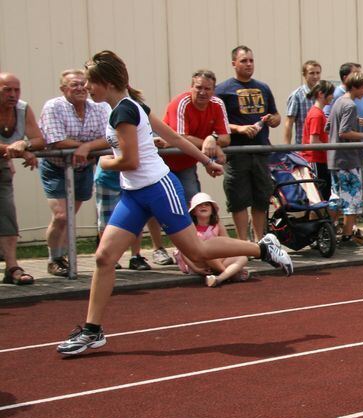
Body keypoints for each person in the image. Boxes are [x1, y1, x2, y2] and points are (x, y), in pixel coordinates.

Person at [56, 51, 292, 356]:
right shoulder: (128, 107)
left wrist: (102, 161)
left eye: (91, 82)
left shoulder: (126, 111)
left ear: (107, 82)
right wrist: (207, 160)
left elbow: (130, 160)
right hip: (134, 194)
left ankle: (263, 247)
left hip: (157, 188)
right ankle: (92, 331)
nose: (87, 88)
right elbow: (176, 138)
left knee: (197, 250)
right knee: (104, 257)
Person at [38, 69, 121, 275]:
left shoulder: (100, 107)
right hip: (57, 167)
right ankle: (54, 258)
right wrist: (86, 147)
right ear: (63, 88)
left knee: (70, 217)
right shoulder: (53, 107)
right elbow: (56, 140)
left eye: (83, 84)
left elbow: (110, 137)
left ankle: (64, 258)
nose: (80, 88)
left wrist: (86, 147)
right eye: (74, 84)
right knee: (61, 216)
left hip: (83, 167)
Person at [149, 69, 231, 264]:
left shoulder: (217, 104)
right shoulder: (181, 103)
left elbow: (226, 137)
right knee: (154, 205)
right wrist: (208, 144)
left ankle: (194, 247)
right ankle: (157, 248)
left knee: (194, 203)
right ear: (191, 87)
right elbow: (179, 138)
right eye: (198, 88)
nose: (202, 92)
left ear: (214, 90)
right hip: (161, 163)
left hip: (187, 163)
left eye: (207, 89)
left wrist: (213, 139)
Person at [216, 45, 279, 242]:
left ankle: (259, 241)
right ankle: (243, 243)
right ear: (234, 63)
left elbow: (276, 115)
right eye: (244, 61)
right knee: (238, 199)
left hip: (261, 150)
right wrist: (238, 129)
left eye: (251, 60)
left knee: (261, 198)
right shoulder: (223, 90)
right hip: (236, 153)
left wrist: (273, 120)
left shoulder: (263, 87)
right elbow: (217, 121)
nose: (249, 64)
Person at [328, 71, 363, 247]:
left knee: (336, 199)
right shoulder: (350, 105)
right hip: (348, 160)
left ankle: (326, 230)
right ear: (355, 87)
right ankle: (346, 235)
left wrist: (356, 123)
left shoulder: (338, 102)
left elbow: (329, 125)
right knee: (352, 199)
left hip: (335, 159)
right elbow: (343, 132)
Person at [0, 72, 41, 285]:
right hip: (5, 162)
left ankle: (12, 267)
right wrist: (17, 150)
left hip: (2, 170)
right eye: (7, 89)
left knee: (7, 215)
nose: (13, 94)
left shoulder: (22, 109)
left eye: (16, 90)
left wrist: (25, 145)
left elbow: (38, 138)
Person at [174, 192, 250, 287]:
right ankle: (231, 274)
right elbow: (183, 251)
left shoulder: (217, 224)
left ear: (212, 209)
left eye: (207, 205)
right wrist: (196, 269)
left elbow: (226, 242)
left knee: (243, 258)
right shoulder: (190, 227)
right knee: (206, 252)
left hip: (216, 260)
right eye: (199, 205)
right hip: (198, 262)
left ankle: (219, 278)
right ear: (193, 211)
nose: (203, 207)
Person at [301, 80, 335, 201]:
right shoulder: (317, 115)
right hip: (315, 160)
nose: (332, 96)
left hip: (319, 159)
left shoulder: (318, 113)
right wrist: (331, 146)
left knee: (322, 196)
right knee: (318, 198)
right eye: (330, 93)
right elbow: (313, 141)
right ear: (321, 94)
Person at [284, 60, 322, 146]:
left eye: (318, 73)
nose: (315, 76)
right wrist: (286, 149)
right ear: (304, 75)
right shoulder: (296, 96)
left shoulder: (323, 95)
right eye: (312, 73)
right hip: (304, 149)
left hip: (321, 147)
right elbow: (288, 124)